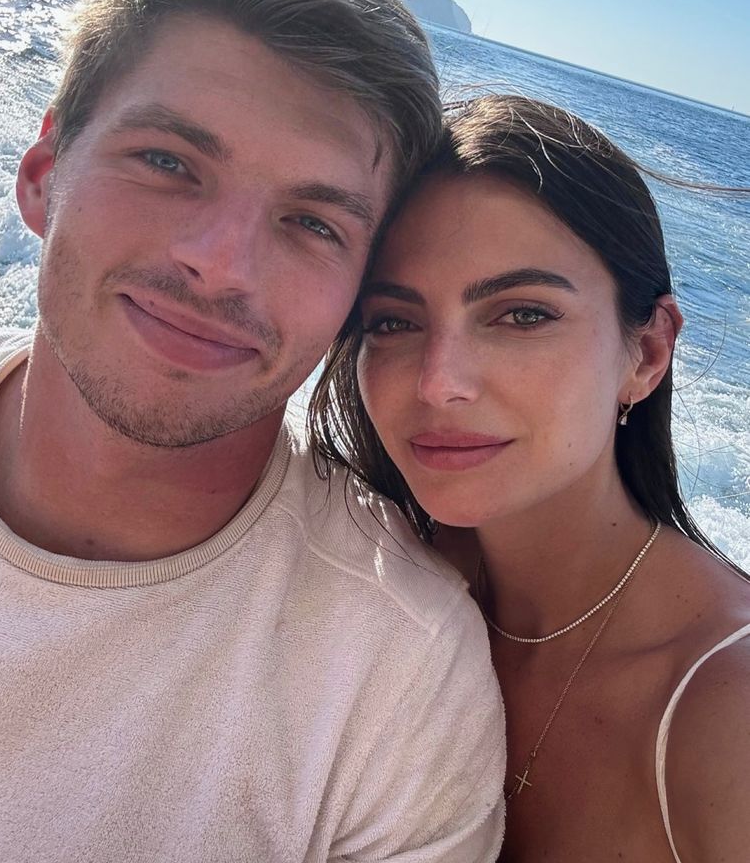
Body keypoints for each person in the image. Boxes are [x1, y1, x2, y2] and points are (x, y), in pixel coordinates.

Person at [0, 0, 505, 862]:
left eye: (313, 222)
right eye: (167, 162)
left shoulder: (394, 684)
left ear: (361, 297)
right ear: (42, 176)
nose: (220, 263)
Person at [310, 94, 750, 861]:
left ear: (646, 354)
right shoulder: (358, 578)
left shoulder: (724, 710)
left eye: (522, 315)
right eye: (393, 321)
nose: (440, 382)